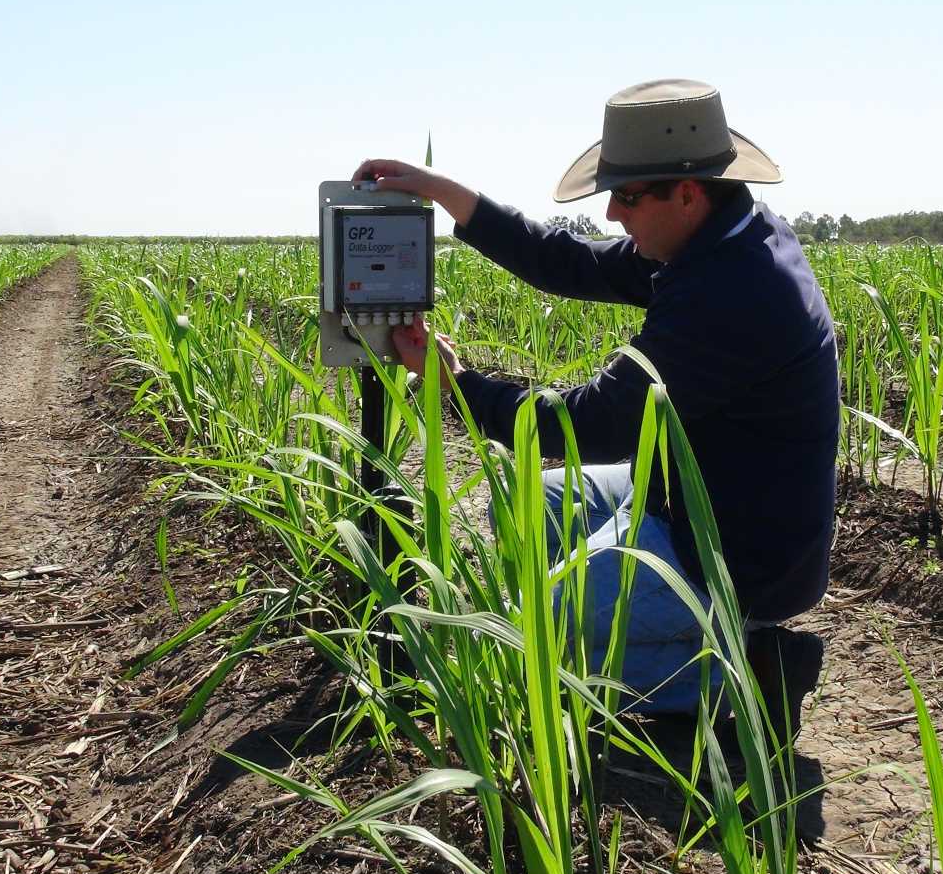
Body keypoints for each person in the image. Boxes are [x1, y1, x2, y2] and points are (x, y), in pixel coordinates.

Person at [354, 79, 836, 741]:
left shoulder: (735, 291)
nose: (611, 214)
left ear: (687, 193)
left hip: (732, 554)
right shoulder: (718, 238)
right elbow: (567, 262)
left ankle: (749, 667)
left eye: (627, 196)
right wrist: (440, 190)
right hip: (683, 498)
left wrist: (454, 384)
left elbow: (588, 426)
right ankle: (659, 642)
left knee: (524, 642)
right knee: (525, 503)